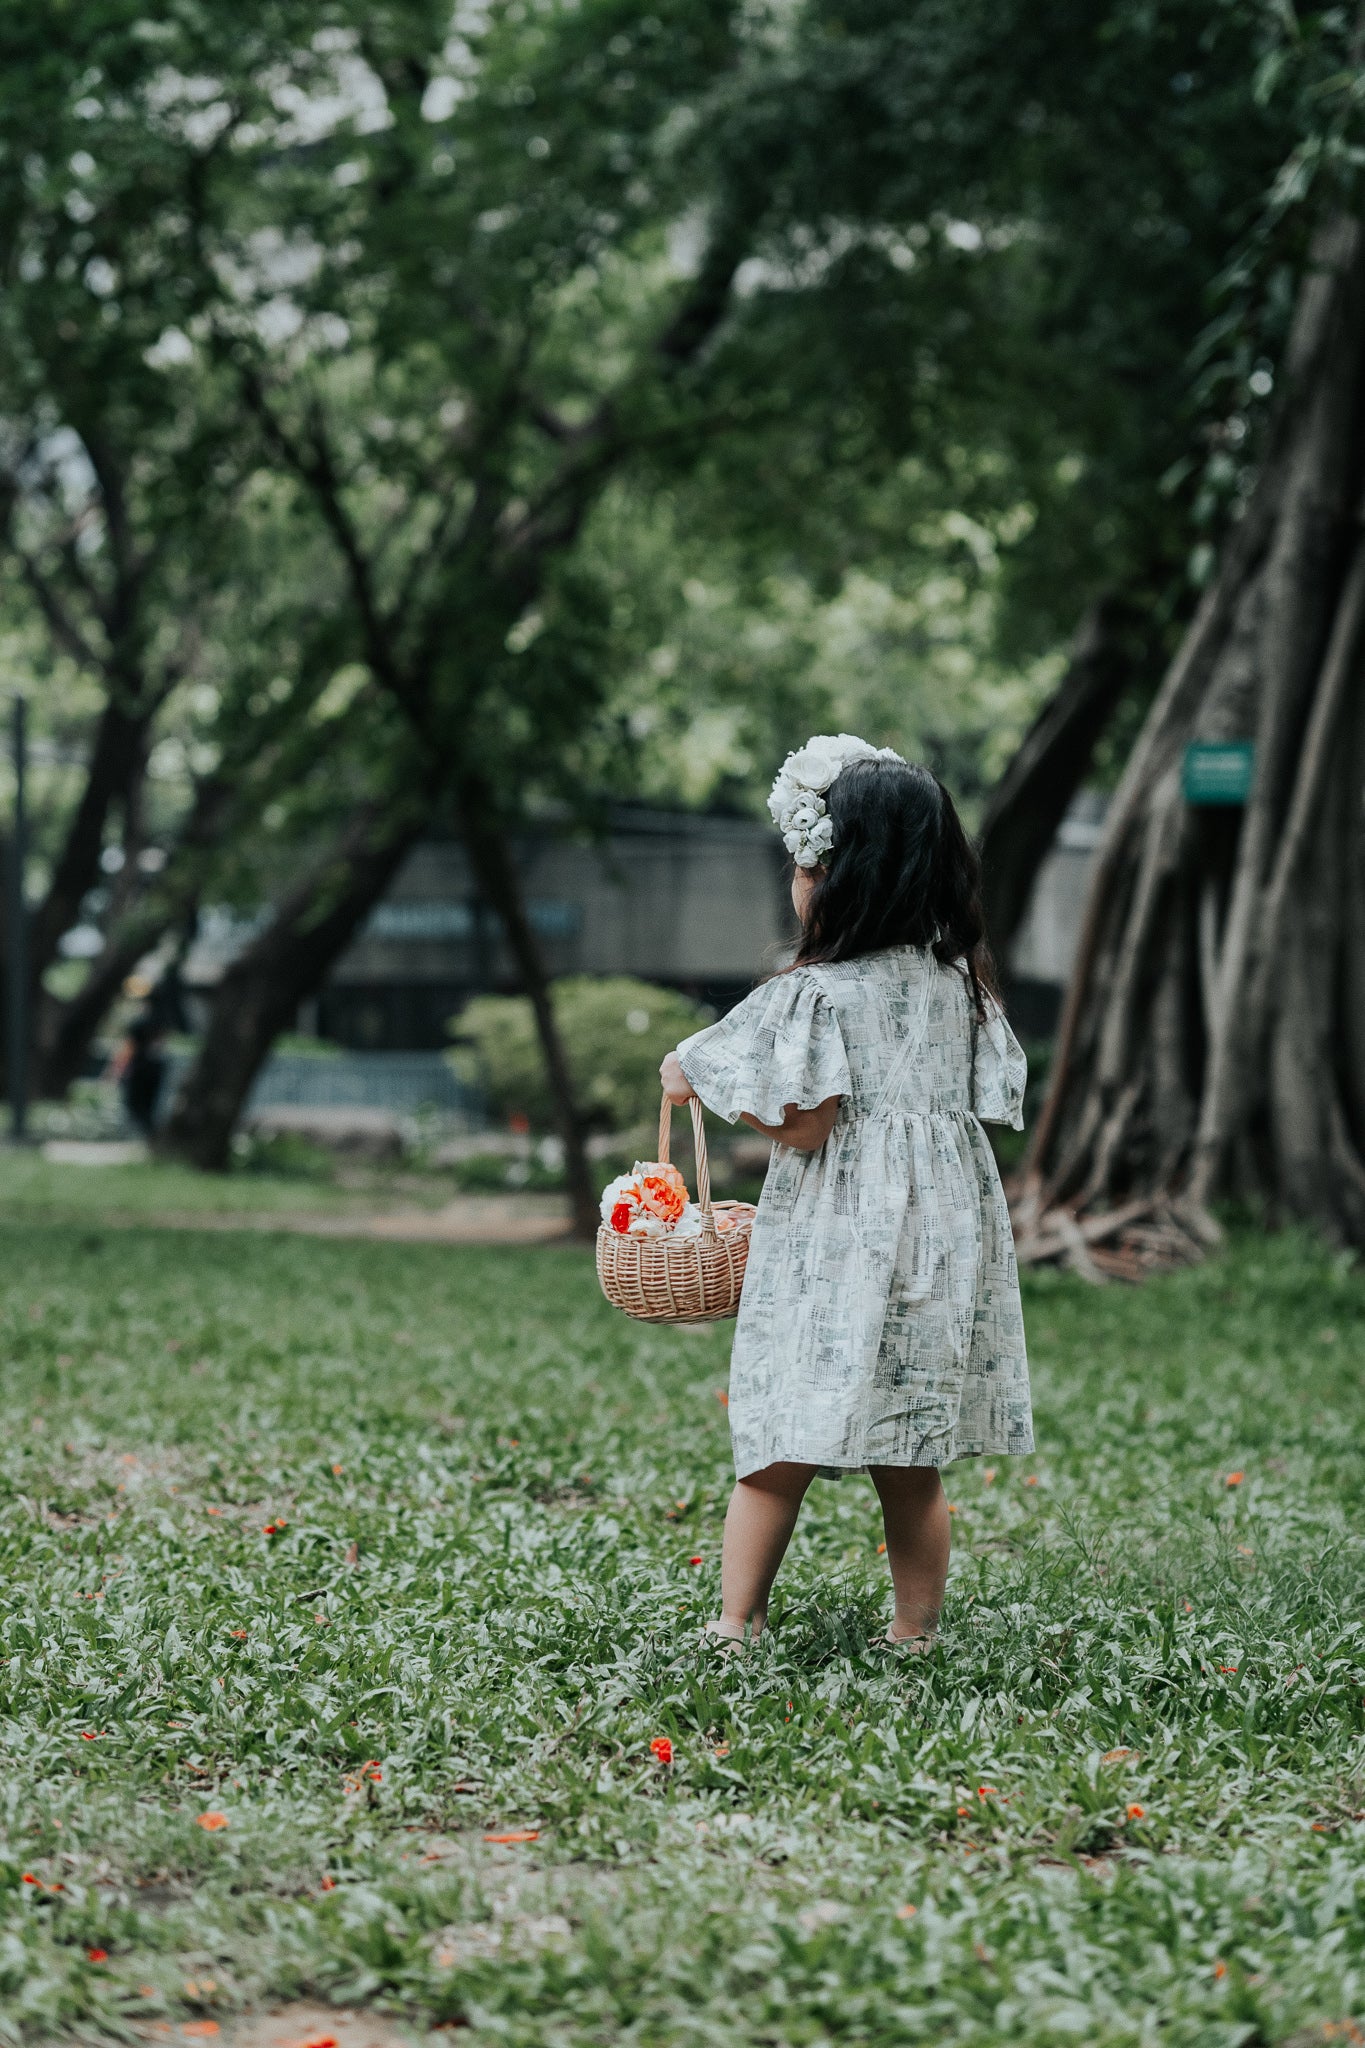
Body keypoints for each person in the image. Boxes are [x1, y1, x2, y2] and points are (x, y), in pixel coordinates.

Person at [660, 734, 1033, 1653]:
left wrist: (718, 1093)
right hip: (938, 1243)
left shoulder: (818, 996)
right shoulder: (962, 989)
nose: (795, 881)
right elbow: (981, 1104)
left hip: (836, 1244)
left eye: (801, 862)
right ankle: (914, 1631)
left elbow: (808, 1126)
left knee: (778, 1441)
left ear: (835, 876)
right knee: (910, 1457)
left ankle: (735, 1623)